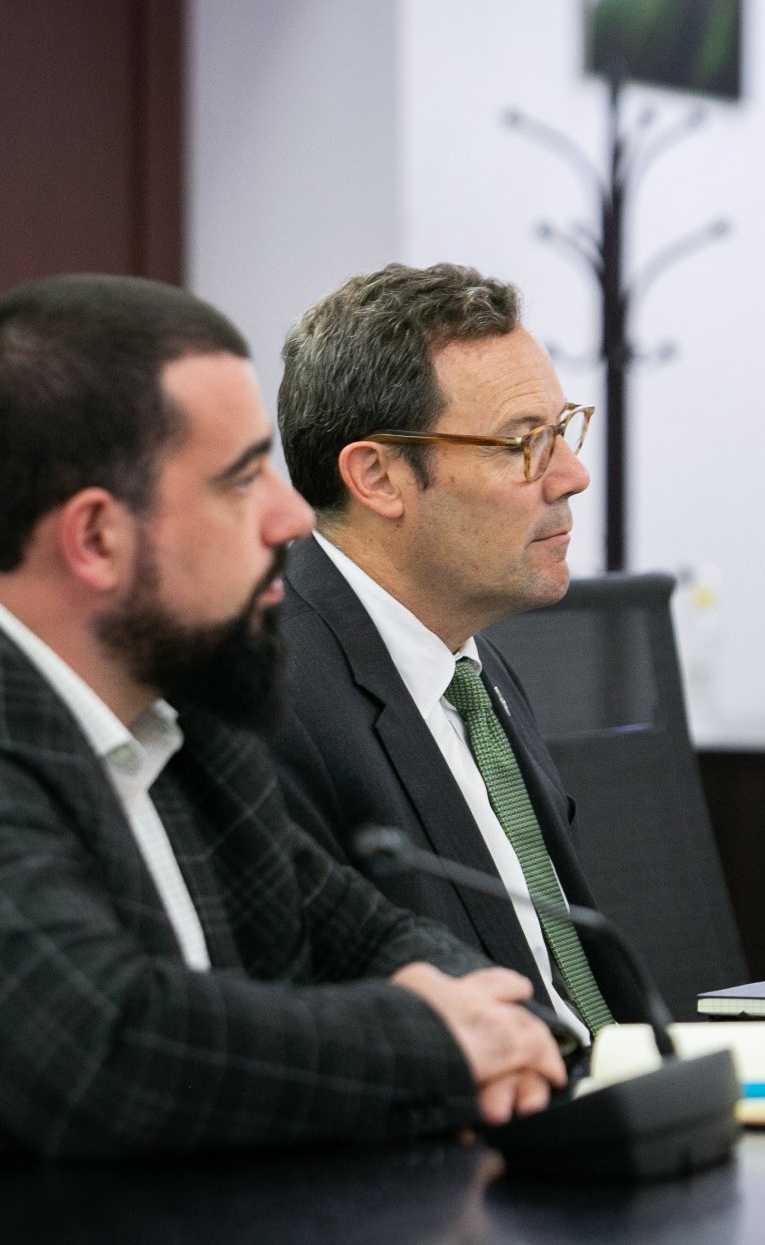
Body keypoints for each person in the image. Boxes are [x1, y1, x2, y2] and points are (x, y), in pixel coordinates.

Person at [0, 274, 565, 1199]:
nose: (289, 517)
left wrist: (491, 1016)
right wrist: (438, 1043)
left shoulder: (177, 709)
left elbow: (360, 932)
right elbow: (105, 1049)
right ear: (96, 539)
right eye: (241, 480)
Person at [268, 263, 650, 1049]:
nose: (573, 475)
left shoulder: (475, 666)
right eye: (524, 442)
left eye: (562, 429)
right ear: (378, 476)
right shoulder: (275, 694)